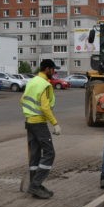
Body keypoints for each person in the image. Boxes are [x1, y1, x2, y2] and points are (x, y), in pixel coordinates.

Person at [20, 59, 62, 199]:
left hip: (29, 122)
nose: (54, 72)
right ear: (47, 69)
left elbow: (22, 100)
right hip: (39, 123)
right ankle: (35, 185)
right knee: (50, 153)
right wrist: (55, 123)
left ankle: (34, 184)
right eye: (53, 70)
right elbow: (45, 107)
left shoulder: (32, 82)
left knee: (35, 155)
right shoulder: (44, 84)